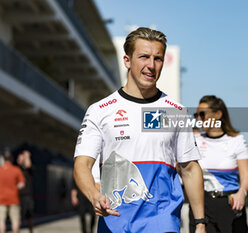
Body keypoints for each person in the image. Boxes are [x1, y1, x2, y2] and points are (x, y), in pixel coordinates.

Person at [73, 27, 206, 233]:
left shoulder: (176, 111)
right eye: (144, 57)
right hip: (114, 221)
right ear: (127, 60)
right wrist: (94, 195)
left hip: (162, 222)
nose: (151, 66)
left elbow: (189, 168)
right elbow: (82, 164)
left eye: (158, 58)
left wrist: (200, 223)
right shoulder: (99, 111)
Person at [189, 95, 248, 233]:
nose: (199, 119)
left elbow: (245, 175)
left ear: (218, 114)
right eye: (196, 115)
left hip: (230, 204)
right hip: (202, 204)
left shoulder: (237, 140)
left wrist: (242, 192)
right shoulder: (194, 140)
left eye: (202, 114)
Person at [0, 149, 25, 233]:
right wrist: (14, 187)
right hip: (14, 198)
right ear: (12, 159)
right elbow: (22, 184)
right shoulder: (16, 170)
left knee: (1, 221)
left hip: (1, 199)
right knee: (15, 220)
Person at [16, 150, 34, 233]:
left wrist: (27, 157)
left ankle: (31, 231)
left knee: (29, 217)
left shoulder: (28, 170)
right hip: (18, 196)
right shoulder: (16, 169)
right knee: (18, 217)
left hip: (27, 196)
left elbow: (28, 165)